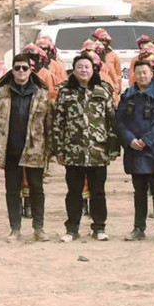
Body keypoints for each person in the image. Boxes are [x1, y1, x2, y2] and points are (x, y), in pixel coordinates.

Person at [51, 53, 118, 242]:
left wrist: (113, 147)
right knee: (74, 192)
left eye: (87, 67)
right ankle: (72, 229)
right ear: (74, 70)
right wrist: (59, 149)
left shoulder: (103, 90)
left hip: (98, 150)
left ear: (93, 69)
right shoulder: (65, 92)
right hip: (74, 151)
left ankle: (99, 227)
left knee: (98, 191)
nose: (83, 70)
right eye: (79, 67)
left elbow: (111, 119)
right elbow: (58, 122)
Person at [0, 54, 52, 242]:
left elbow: (49, 122)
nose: (21, 71)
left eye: (25, 68)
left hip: (35, 149)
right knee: (12, 190)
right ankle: (15, 229)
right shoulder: (2, 92)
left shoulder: (41, 93)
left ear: (31, 70)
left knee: (37, 189)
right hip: (11, 149)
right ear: (12, 70)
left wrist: (51, 149)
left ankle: (39, 228)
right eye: (17, 68)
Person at [115, 60, 154, 242]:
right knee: (139, 192)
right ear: (134, 75)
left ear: (151, 73)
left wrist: (147, 140)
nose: (142, 76)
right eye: (138, 73)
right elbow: (119, 121)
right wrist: (130, 140)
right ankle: (138, 228)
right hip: (135, 151)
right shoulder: (128, 96)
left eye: (145, 72)